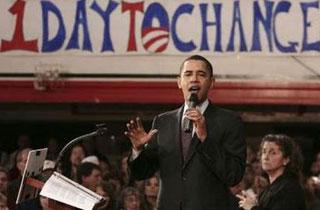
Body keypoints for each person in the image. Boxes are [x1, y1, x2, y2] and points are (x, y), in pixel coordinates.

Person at [125, 55, 246, 210]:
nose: (194, 79)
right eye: (188, 74)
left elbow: (233, 175)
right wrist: (137, 150)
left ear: (212, 82)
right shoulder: (163, 122)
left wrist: (205, 139)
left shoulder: (229, 121)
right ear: (179, 82)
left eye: (201, 74)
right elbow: (141, 173)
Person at [236, 134, 306, 210]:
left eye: (273, 153)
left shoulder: (290, 188)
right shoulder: (269, 190)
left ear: (286, 160)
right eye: (264, 151)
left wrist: (252, 207)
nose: (266, 157)